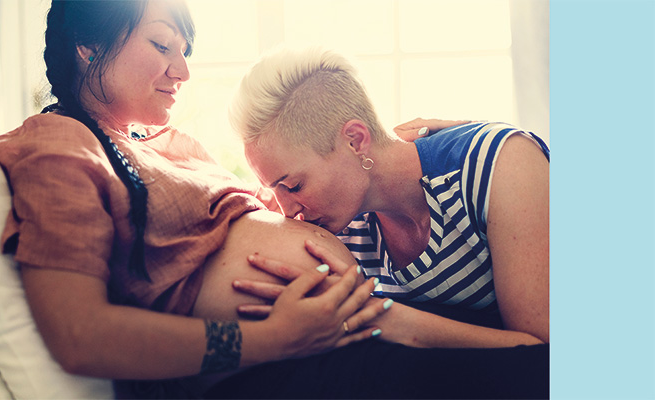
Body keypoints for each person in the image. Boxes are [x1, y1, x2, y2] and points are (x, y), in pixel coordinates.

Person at [0, 1, 548, 398]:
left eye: (183, 51)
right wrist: (265, 340)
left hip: (355, 334)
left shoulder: (170, 146)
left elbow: (302, 186)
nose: (182, 71)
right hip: (295, 362)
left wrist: (414, 144)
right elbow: (79, 334)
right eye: (162, 44)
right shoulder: (57, 145)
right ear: (88, 45)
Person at [229, 46, 549, 348]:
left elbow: (544, 351)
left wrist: (390, 319)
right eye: (274, 190)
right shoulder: (338, 227)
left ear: (355, 141)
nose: (288, 210)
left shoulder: (500, 164)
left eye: (295, 186)